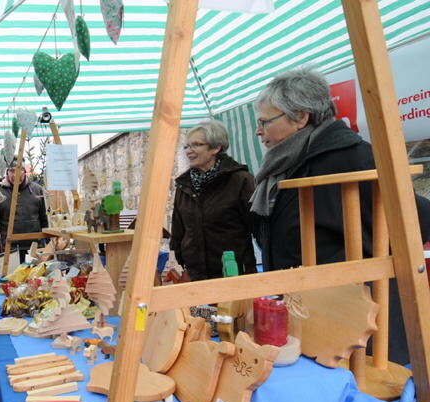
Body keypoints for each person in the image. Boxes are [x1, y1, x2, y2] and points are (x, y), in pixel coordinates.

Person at [250, 67, 430, 364]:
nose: (259, 131)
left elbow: (413, 219)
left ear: (301, 117)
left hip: (357, 325)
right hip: (312, 313)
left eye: (265, 122)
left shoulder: (349, 157)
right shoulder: (290, 162)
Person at [170, 119, 256, 280]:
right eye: (187, 146)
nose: (189, 151)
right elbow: (178, 229)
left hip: (234, 273)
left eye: (196, 145)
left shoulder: (240, 180)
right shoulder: (184, 185)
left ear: (216, 147)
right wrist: (183, 262)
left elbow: (258, 227)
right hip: (196, 275)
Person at [0, 158, 48, 262]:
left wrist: (49, 243)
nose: (16, 174)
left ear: (25, 171)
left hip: (35, 248)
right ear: (7, 172)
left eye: (20, 170)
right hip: (11, 250)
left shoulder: (37, 190)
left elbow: (44, 219)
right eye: (12, 170)